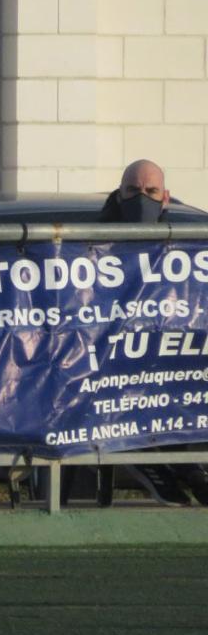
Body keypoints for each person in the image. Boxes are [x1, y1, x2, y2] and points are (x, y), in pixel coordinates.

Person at [101, 159, 208, 507]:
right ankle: (150, 464)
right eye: (133, 191)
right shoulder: (89, 242)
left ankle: (188, 467)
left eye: (150, 191)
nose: (141, 198)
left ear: (165, 198)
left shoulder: (187, 246)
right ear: (119, 195)